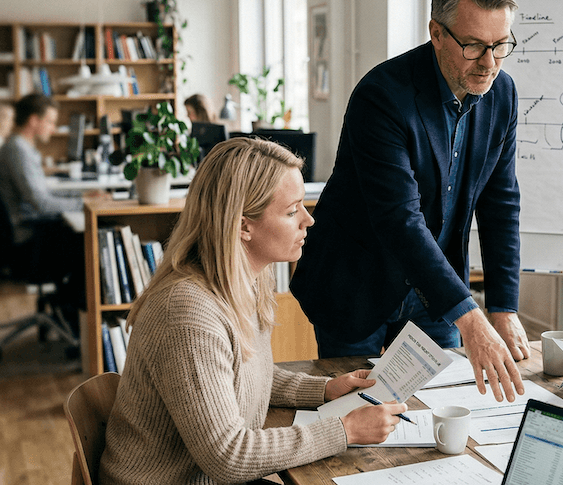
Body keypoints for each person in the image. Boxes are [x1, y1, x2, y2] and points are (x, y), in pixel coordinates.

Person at [99, 138, 405, 485]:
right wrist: (344, 430)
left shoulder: (242, 282)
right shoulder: (187, 314)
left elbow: (240, 376)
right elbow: (228, 456)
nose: (309, 220)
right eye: (292, 211)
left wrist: (323, 390)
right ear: (243, 226)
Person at [289, 0, 529, 403]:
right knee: (352, 417)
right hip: (358, 284)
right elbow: (400, 218)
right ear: (437, 33)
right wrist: (471, 319)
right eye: (474, 46)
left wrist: (502, 305)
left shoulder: (503, 93)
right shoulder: (382, 97)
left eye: (501, 45)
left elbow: (501, 202)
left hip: (435, 290)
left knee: (439, 411)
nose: (489, 63)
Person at [0, 94, 89, 325]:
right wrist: (85, 203)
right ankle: (73, 314)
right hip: (28, 240)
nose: (54, 128)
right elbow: (42, 203)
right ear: (34, 121)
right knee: (90, 243)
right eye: (51, 121)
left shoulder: (20, 147)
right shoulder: (17, 150)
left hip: (29, 230)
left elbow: (43, 197)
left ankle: (67, 308)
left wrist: (81, 197)